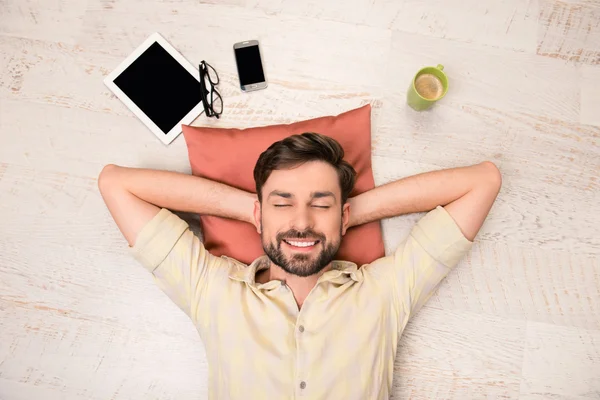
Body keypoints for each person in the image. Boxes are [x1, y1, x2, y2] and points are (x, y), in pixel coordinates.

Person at [98, 132, 501, 399]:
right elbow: (116, 184)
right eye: (283, 201)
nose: (304, 221)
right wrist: (258, 213)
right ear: (259, 213)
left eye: (320, 204)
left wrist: (343, 214)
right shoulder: (212, 291)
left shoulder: (385, 293)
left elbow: (482, 182)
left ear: (342, 215)